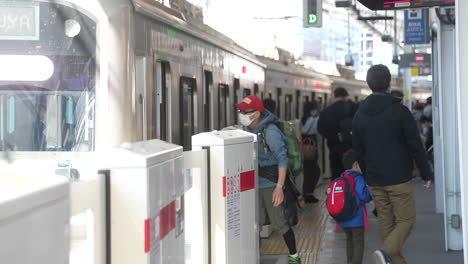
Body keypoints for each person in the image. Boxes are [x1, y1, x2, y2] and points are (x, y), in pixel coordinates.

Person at [352, 65, 433, 264]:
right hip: (398, 177)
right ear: (389, 84)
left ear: (369, 85)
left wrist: (367, 173)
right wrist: (426, 173)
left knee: (386, 222)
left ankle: (389, 257)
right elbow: (415, 145)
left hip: (375, 178)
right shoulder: (400, 112)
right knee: (407, 220)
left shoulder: (359, 114)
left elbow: (358, 150)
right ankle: (386, 251)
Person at [235, 95, 301, 264]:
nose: (241, 114)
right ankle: (253, 256)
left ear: (256, 113)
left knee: (279, 222)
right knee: (254, 221)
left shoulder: (270, 131)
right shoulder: (247, 129)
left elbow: (282, 159)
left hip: (270, 182)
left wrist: (279, 187)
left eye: (245, 111)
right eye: (240, 110)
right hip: (253, 182)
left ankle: (294, 255)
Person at [337, 149, 372, 264]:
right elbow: (364, 196)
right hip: (356, 219)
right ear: (356, 164)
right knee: (358, 243)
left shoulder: (342, 177)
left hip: (343, 219)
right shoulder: (357, 178)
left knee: (349, 241)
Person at [317, 87, 357, 180]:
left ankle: (337, 192)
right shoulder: (354, 108)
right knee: (352, 175)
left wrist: (334, 137)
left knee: (336, 174)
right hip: (352, 148)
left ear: (335, 96)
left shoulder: (326, 111)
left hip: (334, 147)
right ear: (346, 96)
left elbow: (320, 129)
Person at [301, 101, 320, 203]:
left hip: (309, 144)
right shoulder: (311, 119)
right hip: (310, 145)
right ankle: (308, 194)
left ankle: (309, 193)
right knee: (311, 171)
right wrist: (314, 119)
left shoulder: (306, 119)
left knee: (311, 170)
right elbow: (304, 131)